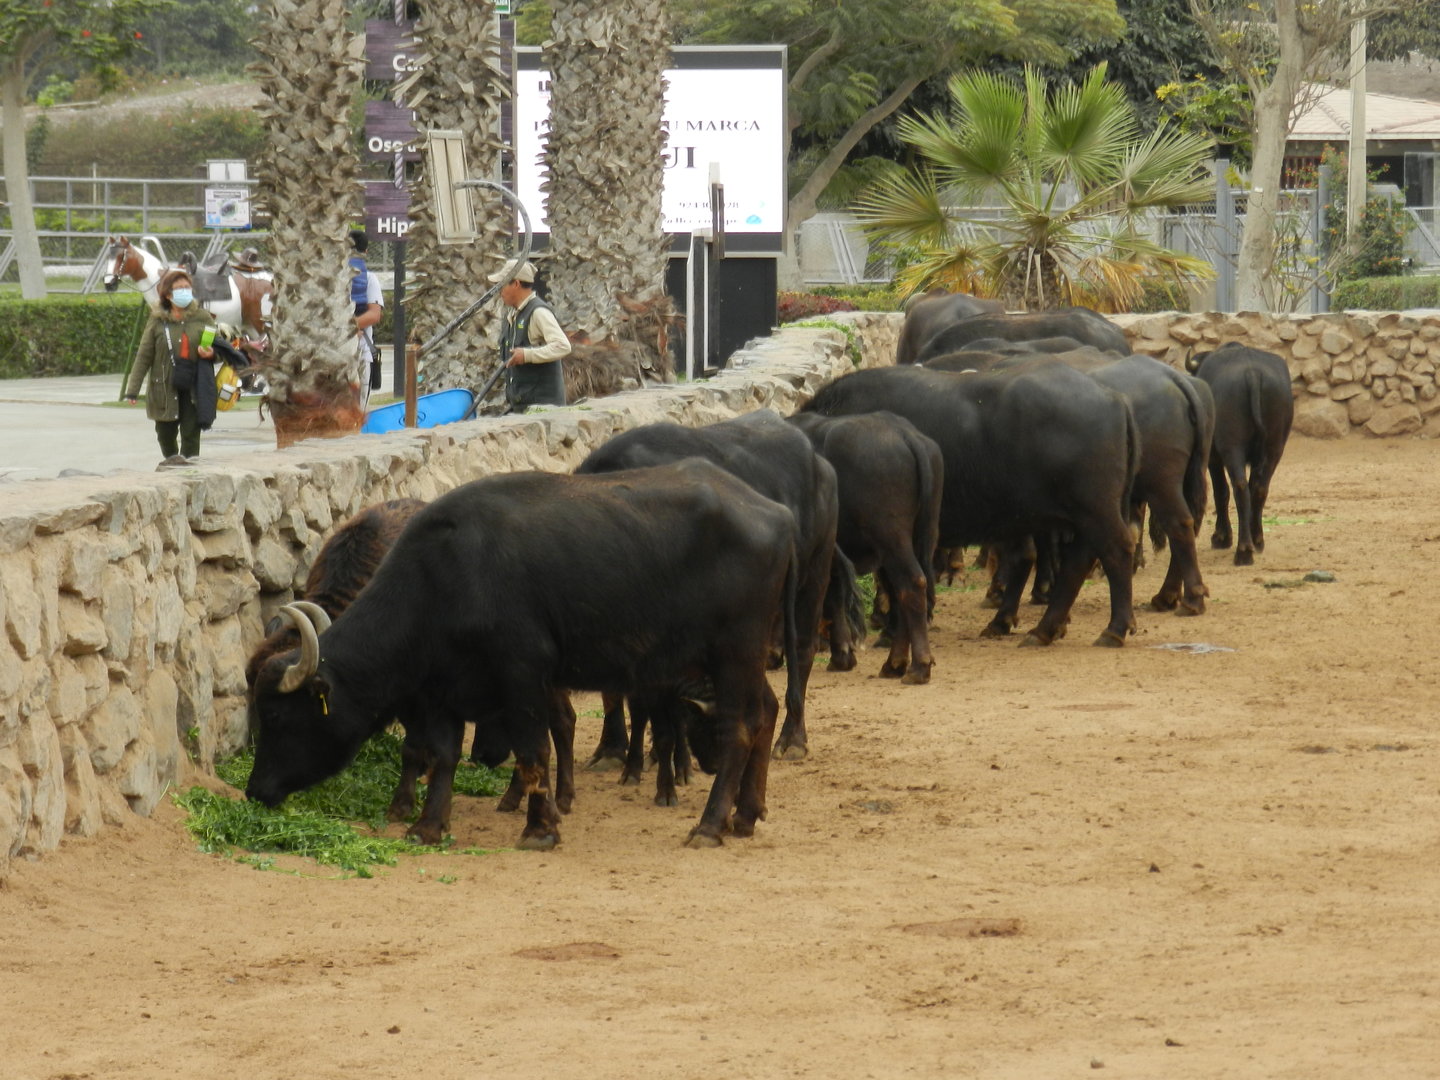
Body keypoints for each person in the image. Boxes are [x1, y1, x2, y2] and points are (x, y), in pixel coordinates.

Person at [123, 269, 219, 468]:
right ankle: (172, 464)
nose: (185, 291)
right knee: (164, 433)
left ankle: (189, 475)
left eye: (187, 287)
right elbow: (144, 355)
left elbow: (219, 347)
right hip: (164, 386)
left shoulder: (202, 317)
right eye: (179, 288)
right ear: (168, 294)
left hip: (193, 386)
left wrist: (211, 353)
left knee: (191, 435)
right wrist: (132, 390)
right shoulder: (157, 319)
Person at [489, 260, 571, 412]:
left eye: (502, 284)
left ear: (516, 284)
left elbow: (563, 346)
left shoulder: (538, 312)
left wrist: (527, 355)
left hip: (543, 411)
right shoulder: (511, 315)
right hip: (522, 408)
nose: (499, 290)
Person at [349, 230, 384, 408]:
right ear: (366, 252)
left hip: (361, 352)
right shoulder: (369, 278)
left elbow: (374, 315)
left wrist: (344, 328)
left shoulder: (370, 279)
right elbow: (374, 314)